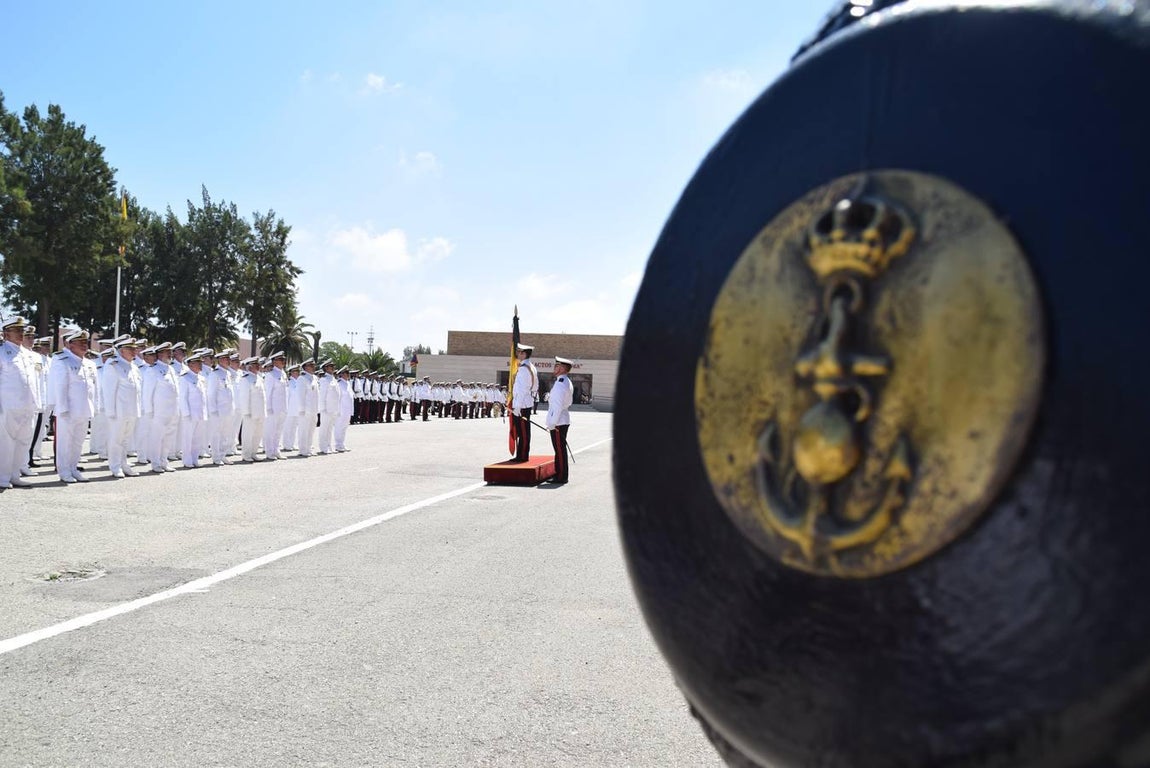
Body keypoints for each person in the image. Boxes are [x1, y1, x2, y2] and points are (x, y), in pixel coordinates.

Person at [49, 330, 99, 483]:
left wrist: (95, 407)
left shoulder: (89, 364)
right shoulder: (62, 360)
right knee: (65, 442)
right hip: (68, 410)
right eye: (80, 342)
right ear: (70, 344)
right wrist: (62, 408)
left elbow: (94, 389)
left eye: (86, 342)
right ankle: (64, 471)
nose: (85, 345)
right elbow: (60, 386)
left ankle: (73, 468)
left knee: (78, 442)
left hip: (84, 409)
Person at [545, 356, 575, 484]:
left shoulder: (560, 384)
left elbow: (557, 406)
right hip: (562, 419)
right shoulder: (565, 381)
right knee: (559, 449)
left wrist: (552, 423)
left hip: (558, 421)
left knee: (559, 449)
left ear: (562, 368)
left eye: (557, 366)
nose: (554, 368)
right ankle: (560, 474)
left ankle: (561, 476)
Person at [510, 342, 538, 462]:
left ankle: (522, 456)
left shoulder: (524, 369)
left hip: (521, 405)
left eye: (520, 352)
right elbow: (535, 387)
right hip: (525, 403)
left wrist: (517, 407)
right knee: (523, 431)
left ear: (524, 354)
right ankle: (521, 454)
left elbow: (521, 390)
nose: (517, 354)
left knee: (523, 432)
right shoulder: (530, 367)